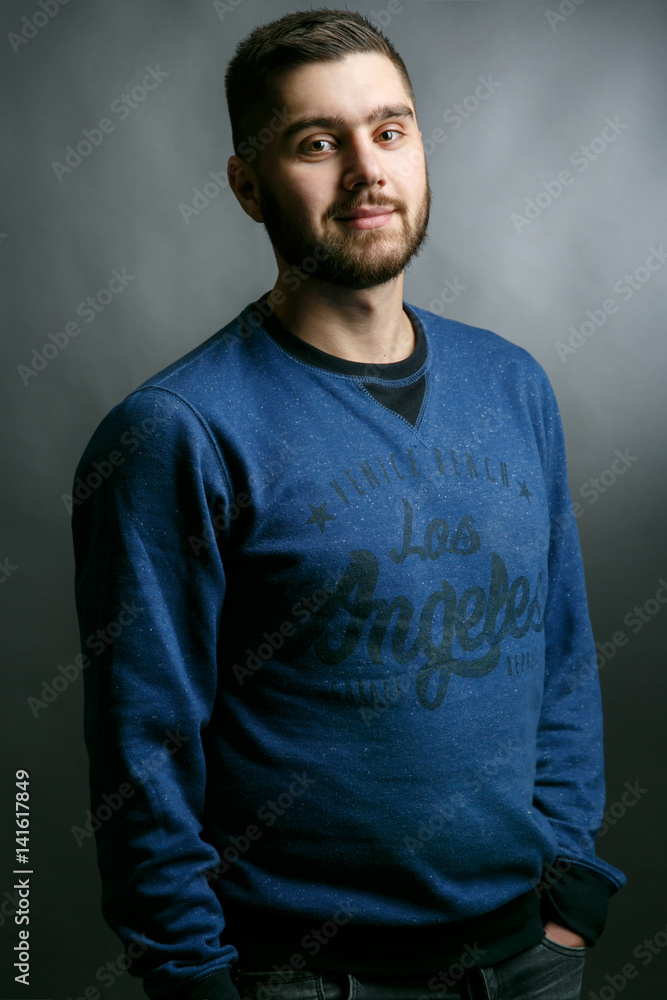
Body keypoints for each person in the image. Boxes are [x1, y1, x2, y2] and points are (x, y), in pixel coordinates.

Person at [71, 9, 626, 1000]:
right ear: (247, 185)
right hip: (304, 979)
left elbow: (563, 657)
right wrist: (194, 980)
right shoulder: (176, 431)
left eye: (390, 130)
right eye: (316, 143)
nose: (367, 171)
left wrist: (565, 905)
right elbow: (141, 757)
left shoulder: (511, 384)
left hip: (525, 965)